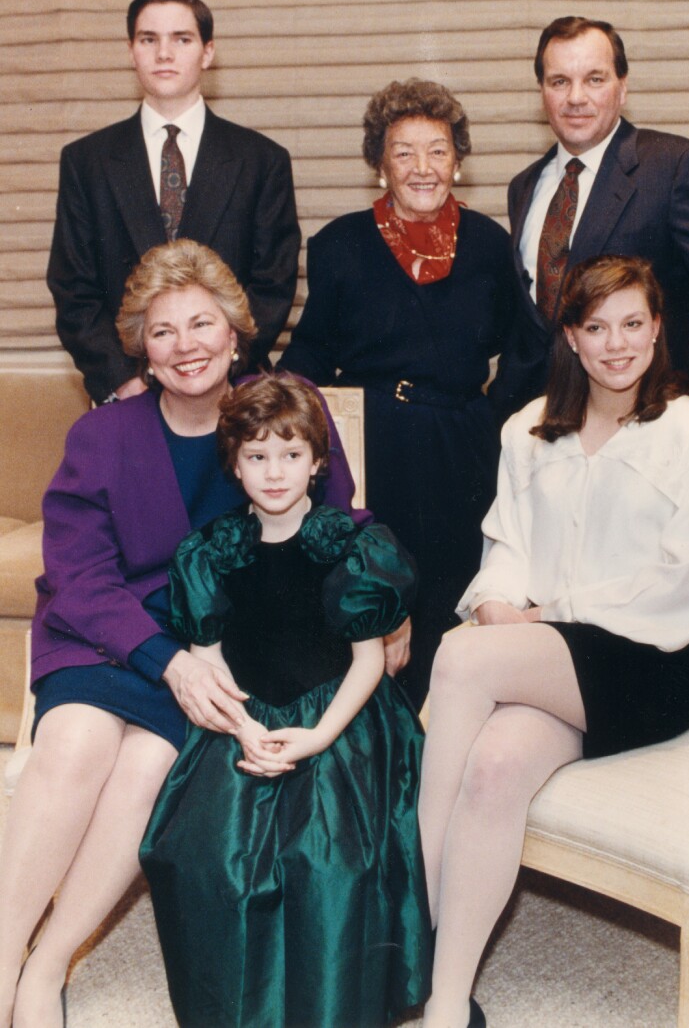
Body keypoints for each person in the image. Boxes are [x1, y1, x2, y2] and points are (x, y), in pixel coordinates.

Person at [0, 241, 360, 1028]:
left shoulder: (286, 405)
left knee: (147, 768)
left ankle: (50, 962)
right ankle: (0, 959)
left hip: (219, 646)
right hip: (108, 634)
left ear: (237, 332)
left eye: (203, 323)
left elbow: (334, 517)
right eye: (163, 332)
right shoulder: (103, 435)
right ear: (144, 350)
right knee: (77, 746)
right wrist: (166, 661)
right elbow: (80, 574)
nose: (186, 344)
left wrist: (379, 605)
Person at [418, 255, 689, 1028]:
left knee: (459, 655)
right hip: (555, 655)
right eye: (595, 327)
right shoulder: (528, 431)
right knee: (495, 766)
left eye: (634, 323)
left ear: (659, 328)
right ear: (569, 336)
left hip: (659, 658)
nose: (617, 344)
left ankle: (410, 920)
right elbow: (507, 546)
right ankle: (444, 1000)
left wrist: (539, 616)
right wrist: (499, 600)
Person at [140, 374, 432, 1028]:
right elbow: (210, 660)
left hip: (341, 721)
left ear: (318, 461)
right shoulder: (209, 554)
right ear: (235, 462)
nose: (275, 472)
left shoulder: (353, 548)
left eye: (291, 453)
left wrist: (319, 736)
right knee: (206, 855)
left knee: (328, 861)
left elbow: (368, 663)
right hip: (243, 719)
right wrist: (243, 729)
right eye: (258, 455)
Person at [282, 78, 518, 706]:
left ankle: (445, 743)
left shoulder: (491, 244)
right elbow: (310, 351)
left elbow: (531, 348)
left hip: (461, 446)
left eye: (437, 150)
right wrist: (267, 403)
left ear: (458, 163)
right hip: (371, 448)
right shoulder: (337, 245)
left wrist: (488, 417)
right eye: (403, 151)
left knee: (449, 601)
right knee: (377, 601)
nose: (422, 168)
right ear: (378, 164)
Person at [493, 14, 689, 450]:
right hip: (534, 429)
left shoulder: (673, 168)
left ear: (623, 86)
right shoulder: (525, 186)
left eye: (594, 79)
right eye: (559, 82)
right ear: (542, 92)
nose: (576, 97)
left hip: (644, 430)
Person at [47, 0, 301, 404]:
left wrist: (217, 370)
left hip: (228, 390)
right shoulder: (86, 161)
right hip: (128, 394)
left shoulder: (262, 160)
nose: (164, 53)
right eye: (149, 39)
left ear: (207, 52)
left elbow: (273, 284)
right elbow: (72, 287)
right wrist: (124, 381)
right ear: (132, 51)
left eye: (181, 39)